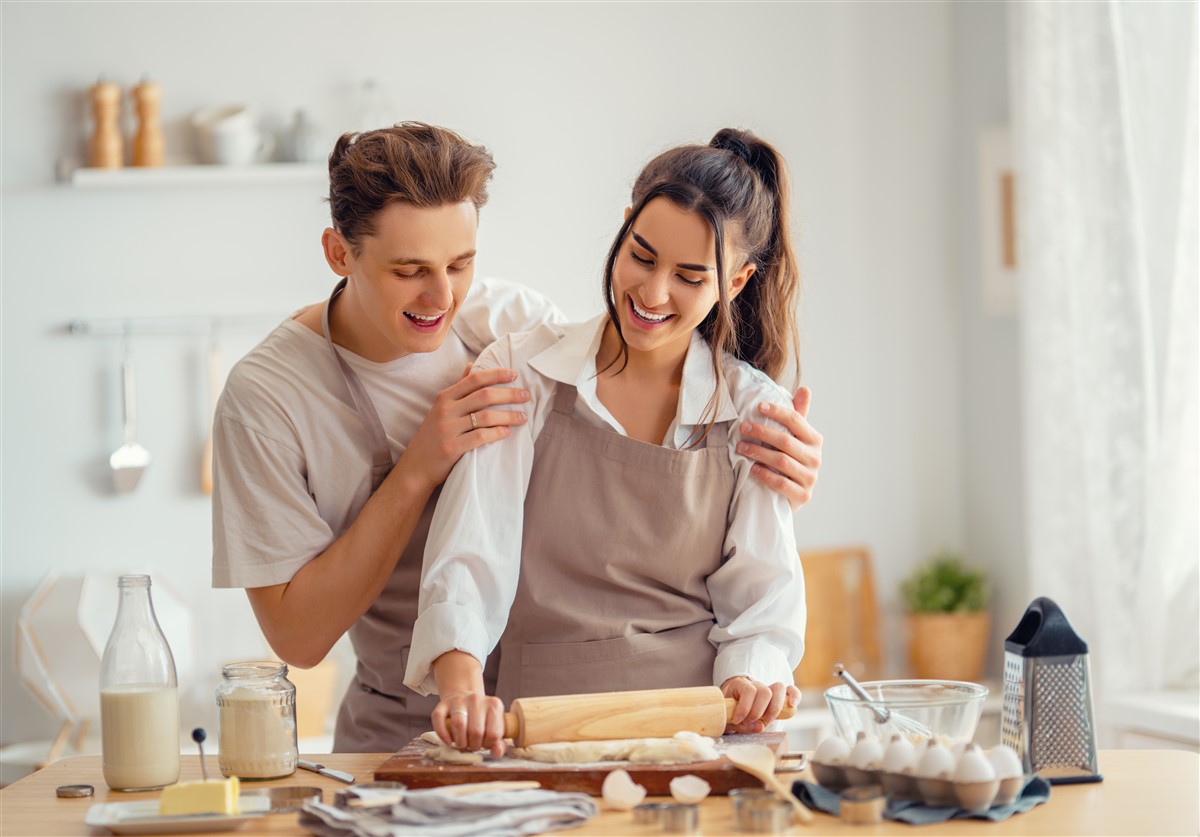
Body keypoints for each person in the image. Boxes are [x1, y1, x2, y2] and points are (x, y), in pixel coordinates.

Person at [212, 123, 824, 753]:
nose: (441, 297)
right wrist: (420, 467)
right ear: (340, 254)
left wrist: (780, 476)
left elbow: (625, 407)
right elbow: (306, 634)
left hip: (578, 719)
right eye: (409, 270)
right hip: (412, 715)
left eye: (460, 264)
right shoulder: (269, 399)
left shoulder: (511, 328)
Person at [405, 128, 810, 756]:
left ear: (735, 284)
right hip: (539, 729)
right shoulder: (522, 372)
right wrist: (460, 688)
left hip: (696, 735)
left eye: (690, 276)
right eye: (642, 257)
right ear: (624, 229)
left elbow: (763, 598)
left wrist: (752, 679)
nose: (652, 294)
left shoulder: (753, 411)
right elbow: (469, 555)